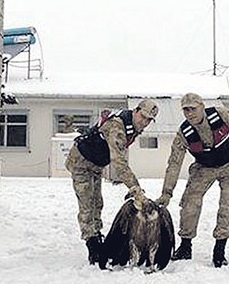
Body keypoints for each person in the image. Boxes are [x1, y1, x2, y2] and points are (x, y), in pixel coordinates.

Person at [156, 93, 229, 267]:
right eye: (185, 110)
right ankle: (185, 246)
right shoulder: (184, 133)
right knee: (189, 202)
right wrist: (167, 193)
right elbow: (174, 163)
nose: (190, 113)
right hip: (204, 167)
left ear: (202, 107)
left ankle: (219, 250)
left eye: (193, 109)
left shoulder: (222, 115)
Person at [66, 99, 159, 264]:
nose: (144, 122)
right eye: (143, 117)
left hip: (95, 165)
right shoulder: (118, 127)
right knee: (87, 204)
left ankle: (97, 237)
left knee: (97, 203)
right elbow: (119, 163)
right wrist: (136, 189)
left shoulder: (131, 127)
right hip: (80, 162)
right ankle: (93, 247)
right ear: (136, 111)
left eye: (148, 120)